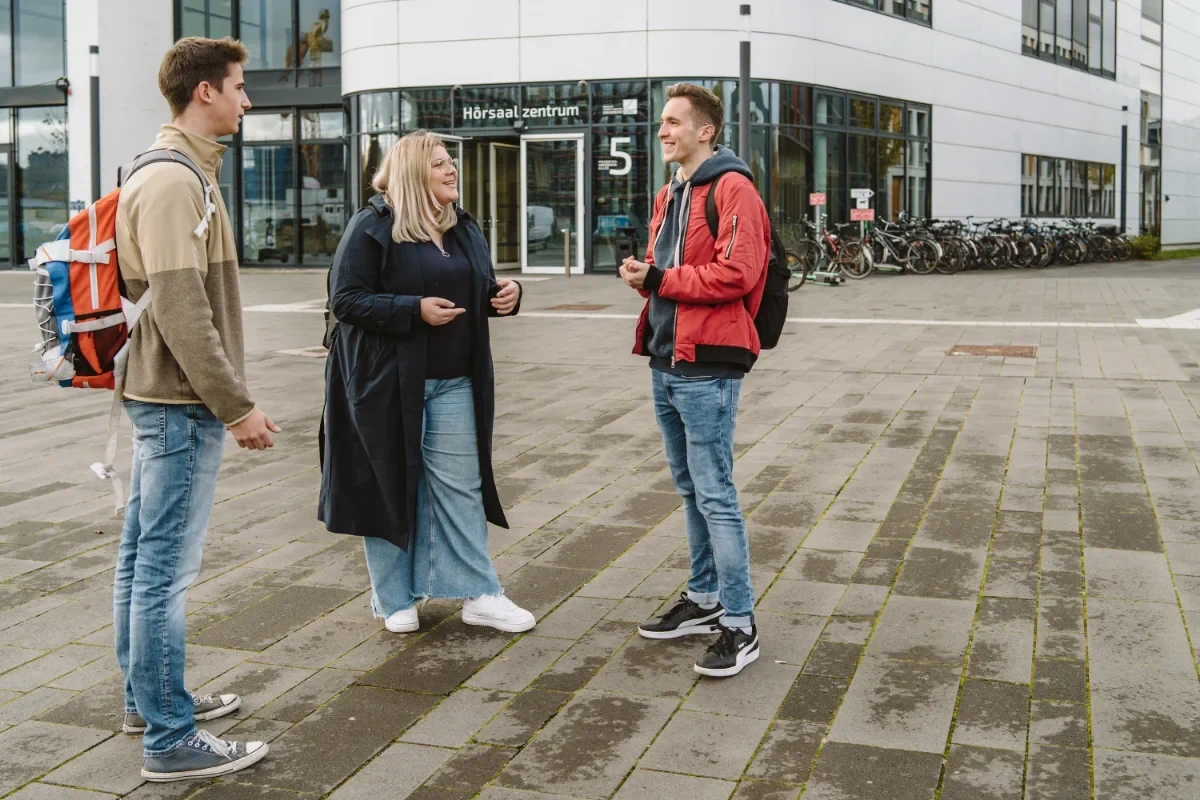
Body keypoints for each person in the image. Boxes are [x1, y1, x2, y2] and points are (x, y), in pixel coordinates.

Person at [114, 37, 276, 781]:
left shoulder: (179, 171)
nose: (246, 100)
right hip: (178, 404)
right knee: (163, 573)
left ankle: (150, 703)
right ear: (204, 91)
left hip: (163, 400)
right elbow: (182, 309)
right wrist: (235, 406)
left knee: (141, 561)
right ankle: (170, 739)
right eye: (239, 87)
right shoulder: (177, 180)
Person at [319, 131, 535, 635]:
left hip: (456, 379)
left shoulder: (461, 228)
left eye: (451, 161)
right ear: (415, 172)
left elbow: (477, 287)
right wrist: (411, 310)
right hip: (386, 383)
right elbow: (345, 300)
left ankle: (479, 592)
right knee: (390, 485)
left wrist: (507, 293)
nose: (451, 169)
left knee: (462, 487)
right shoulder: (372, 227)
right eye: (440, 163)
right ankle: (395, 598)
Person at [620, 83, 771, 678]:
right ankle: (705, 598)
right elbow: (669, 273)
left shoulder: (734, 188)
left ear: (705, 130)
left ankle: (740, 622)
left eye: (674, 122)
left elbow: (739, 271)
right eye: (661, 122)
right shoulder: (669, 193)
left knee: (716, 494)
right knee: (690, 487)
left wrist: (659, 278)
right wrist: (644, 278)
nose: (663, 130)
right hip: (666, 360)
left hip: (708, 364)